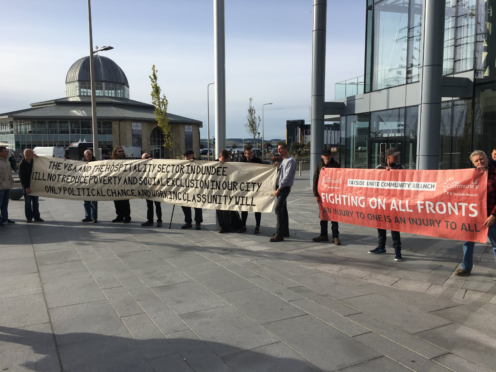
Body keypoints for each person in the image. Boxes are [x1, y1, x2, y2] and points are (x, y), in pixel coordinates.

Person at [456, 150, 496, 276]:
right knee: (468, 242)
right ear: (473, 163)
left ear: (486, 158)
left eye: (481, 159)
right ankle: (466, 267)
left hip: (491, 216)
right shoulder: (470, 175)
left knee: (495, 244)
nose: (480, 162)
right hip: (473, 216)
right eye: (476, 161)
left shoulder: (495, 173)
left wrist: (494, 215)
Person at [369, 148, 404, 261]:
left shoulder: (400, 168)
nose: (396, 158)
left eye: (397, 155)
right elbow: (372, 181)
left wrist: (393, 173)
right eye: (394, 156)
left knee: (394, 227)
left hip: (394, 202)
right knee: (380, 225)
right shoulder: (379, 168)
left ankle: (397, 251)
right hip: (381, 202)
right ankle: (381, 247)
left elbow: (406, 180)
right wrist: (384, 173)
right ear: (387, 157)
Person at [312, 149, 341, 245]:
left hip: (333, 194)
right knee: (323, 215)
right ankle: (323, 235)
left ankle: (335, 236)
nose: (327, 157)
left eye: (328, 155)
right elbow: (315, 179)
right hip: (322, 194)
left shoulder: (336, 165)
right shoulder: (320, 166)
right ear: (322, 156)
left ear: (331, 156)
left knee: (334, 215)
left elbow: (341, 178)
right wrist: (316, 194)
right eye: (325, 155)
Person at [270, 143, 296, 242]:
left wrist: (278, 189)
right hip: (280, 187)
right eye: (278, 149)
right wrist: (277, 167)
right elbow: (281, 174)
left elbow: (286, 177)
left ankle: (279, 234)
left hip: (284, 188)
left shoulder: (291, 161)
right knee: (283, 209)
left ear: (286, 149)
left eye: (280, 149)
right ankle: (285, 230)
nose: (279, 151)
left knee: (278, 208)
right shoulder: (284, 160)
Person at [239, 145, 263, 234]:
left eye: (251, 153)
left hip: (256, 188)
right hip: (245, 188)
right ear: (245, 154)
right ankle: (243, 225)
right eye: (248, 153)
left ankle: (257, 226)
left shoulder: (258, 161)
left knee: (257, 207)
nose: (250, 154)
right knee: (244, 207)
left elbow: (266, 170)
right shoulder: (242, 162)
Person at [19, 149, 44, 223]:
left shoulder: (34, 162)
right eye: (31, 153)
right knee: (28, 202)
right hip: (27, 186)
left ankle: (37, 216)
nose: (33, 154)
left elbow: (43, 162)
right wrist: (27, 187)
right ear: (26, 154)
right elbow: (22, 177)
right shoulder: (22, 164)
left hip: (35, 185)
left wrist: (38, 158)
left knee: (36, 202)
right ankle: (29, 217)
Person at [181, 150, 203, 230]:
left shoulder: (198, 162)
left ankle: (198, 222)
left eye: (188, 155)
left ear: (192, 155)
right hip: (185, 188)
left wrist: (194, 162)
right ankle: (188, 221)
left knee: (197, 206)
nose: (186, 157)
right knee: (185, 205)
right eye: (185, 155)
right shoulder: (183, 164)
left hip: (196, 188)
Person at [141, 153, 162, 227]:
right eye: (145, 157)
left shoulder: (155, 163)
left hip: (156, 188)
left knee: (157, 205)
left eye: (148, 157)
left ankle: (159, 221)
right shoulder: (141, 165)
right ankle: (150, 220)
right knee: (149, 205)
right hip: (147, 188)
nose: (147, 158)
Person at [111, 146, 131, 223]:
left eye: (122, 151)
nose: (121, 152)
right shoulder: (112, 162)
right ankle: (119, 215)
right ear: (115, 152)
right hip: (115, 184)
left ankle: (127, 216)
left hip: (124, 184)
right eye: (119, 151)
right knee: (117, 201)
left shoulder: (127, 161)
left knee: (125, 201)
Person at [217, 150, 234, 233]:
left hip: (226, 189)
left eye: (226, 159)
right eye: (223, 159)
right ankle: (221, 226)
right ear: (220, 157)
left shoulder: (229, 165)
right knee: (219, 208)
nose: (225, 161)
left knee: (227, 208)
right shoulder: (214, 164)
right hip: (217, 190)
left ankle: (227, 225)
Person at [81, 150, 98, 223]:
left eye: (90, 154)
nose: (90, 155)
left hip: (93, 184)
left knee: (93, 202)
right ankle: (87, 216)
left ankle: (94, 217)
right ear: (84, 155)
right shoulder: (80, 161)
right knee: (86, 202)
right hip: (85, 184)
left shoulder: (96, 162)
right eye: (88, 154)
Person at [0, 146, 14, 226]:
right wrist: (2, 183)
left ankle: (5, 218)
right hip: (1, 187)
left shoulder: (7, 161)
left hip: (7, 186)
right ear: (0, 152)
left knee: (5, 203)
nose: (7, 152)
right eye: (5, 151)